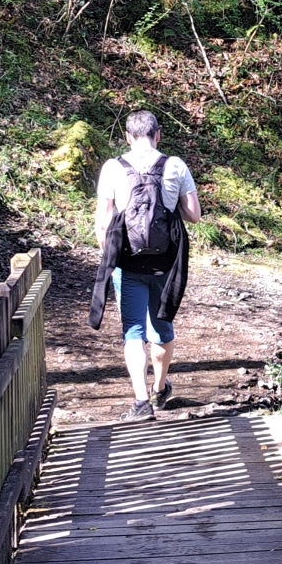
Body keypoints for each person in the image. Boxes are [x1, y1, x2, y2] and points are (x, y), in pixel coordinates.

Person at [89, 110, 201, 421]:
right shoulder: (175, 165)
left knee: (133, 330)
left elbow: (103, 223)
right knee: (162, 326)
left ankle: (140, 402)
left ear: (128, 137)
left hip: (128, 262)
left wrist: (112, 257)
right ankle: (159, 389)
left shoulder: (113, 168)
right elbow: (194, 215)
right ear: (158, 135)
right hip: (166, 263)